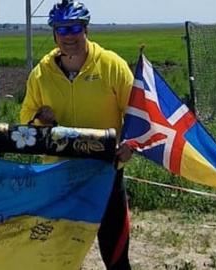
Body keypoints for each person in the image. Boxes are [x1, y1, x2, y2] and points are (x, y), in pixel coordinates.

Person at [19, 1, 134, 269]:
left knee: (116, 255)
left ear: (86, 29)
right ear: (54, 34)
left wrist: (131, 144)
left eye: (74, 28)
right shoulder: (41, 74)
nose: (68, 36)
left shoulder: (111, 65)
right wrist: (39, 120)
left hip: (105, 172)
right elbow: (25, 120)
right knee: (59, 256)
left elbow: (137, 113)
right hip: (59, 175)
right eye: (61, 29)